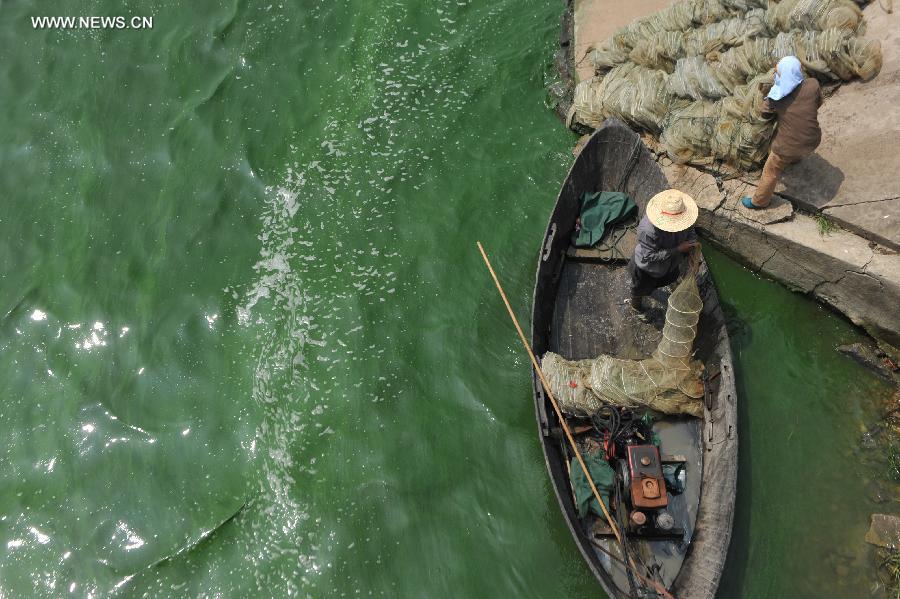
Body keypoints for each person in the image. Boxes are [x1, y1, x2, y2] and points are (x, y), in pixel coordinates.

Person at [742, 55, 822, 210]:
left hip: (789, 147)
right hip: (813, 139)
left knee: (771, 171)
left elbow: (764, 115)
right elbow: (818, 103)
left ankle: (759, 201)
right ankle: (795, 158)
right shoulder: (813, 85)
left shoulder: (775, 98)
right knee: (797, 134)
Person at [628, 189, 699, 313]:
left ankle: (651, 290)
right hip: (647, 267)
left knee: (669, 278)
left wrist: (692, 246)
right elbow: (649, 255)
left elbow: (691, 230)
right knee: (639, 290)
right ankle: (636, 307)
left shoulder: (685, 217)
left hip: (670, 264)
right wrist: (678, 249)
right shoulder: (648, 231)